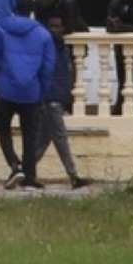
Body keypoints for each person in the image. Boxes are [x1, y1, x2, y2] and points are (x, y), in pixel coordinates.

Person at [0, 0, 55, 190]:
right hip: (31, 91)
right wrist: (41, 89)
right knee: (30, 134)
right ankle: (30, 176)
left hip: (6, 89)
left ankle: (14, 165)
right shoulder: (42, 34)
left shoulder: (0, 29)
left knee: (1, 127)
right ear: (31, 10)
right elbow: (48, 67)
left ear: (13, 8)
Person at [31, 14, 89, 190]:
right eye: (51, 26)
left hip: (57, 98)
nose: (54, 30)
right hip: (50, 99)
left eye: (58, 26)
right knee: (60, 138)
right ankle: (73, 176)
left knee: (42, 141)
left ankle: (23, 172)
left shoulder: (62, 47)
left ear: (64, 29)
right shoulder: (46, 48)